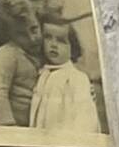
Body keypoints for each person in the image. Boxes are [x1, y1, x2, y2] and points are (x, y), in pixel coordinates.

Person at [27, 11, 104, 140]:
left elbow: (86, 120)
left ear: (72, 48)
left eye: (61, 41)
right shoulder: (42, 74)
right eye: (48, 37)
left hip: (67, 142)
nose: (53, 45)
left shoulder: (76, 78)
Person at [0, 0, 44, 131]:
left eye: (34, 29)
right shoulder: (8, 54)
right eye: (21, 34)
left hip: (35, 125)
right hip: (13, 126)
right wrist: (8, 126)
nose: (32, 38)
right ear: (9, 35)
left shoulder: (42, 51)